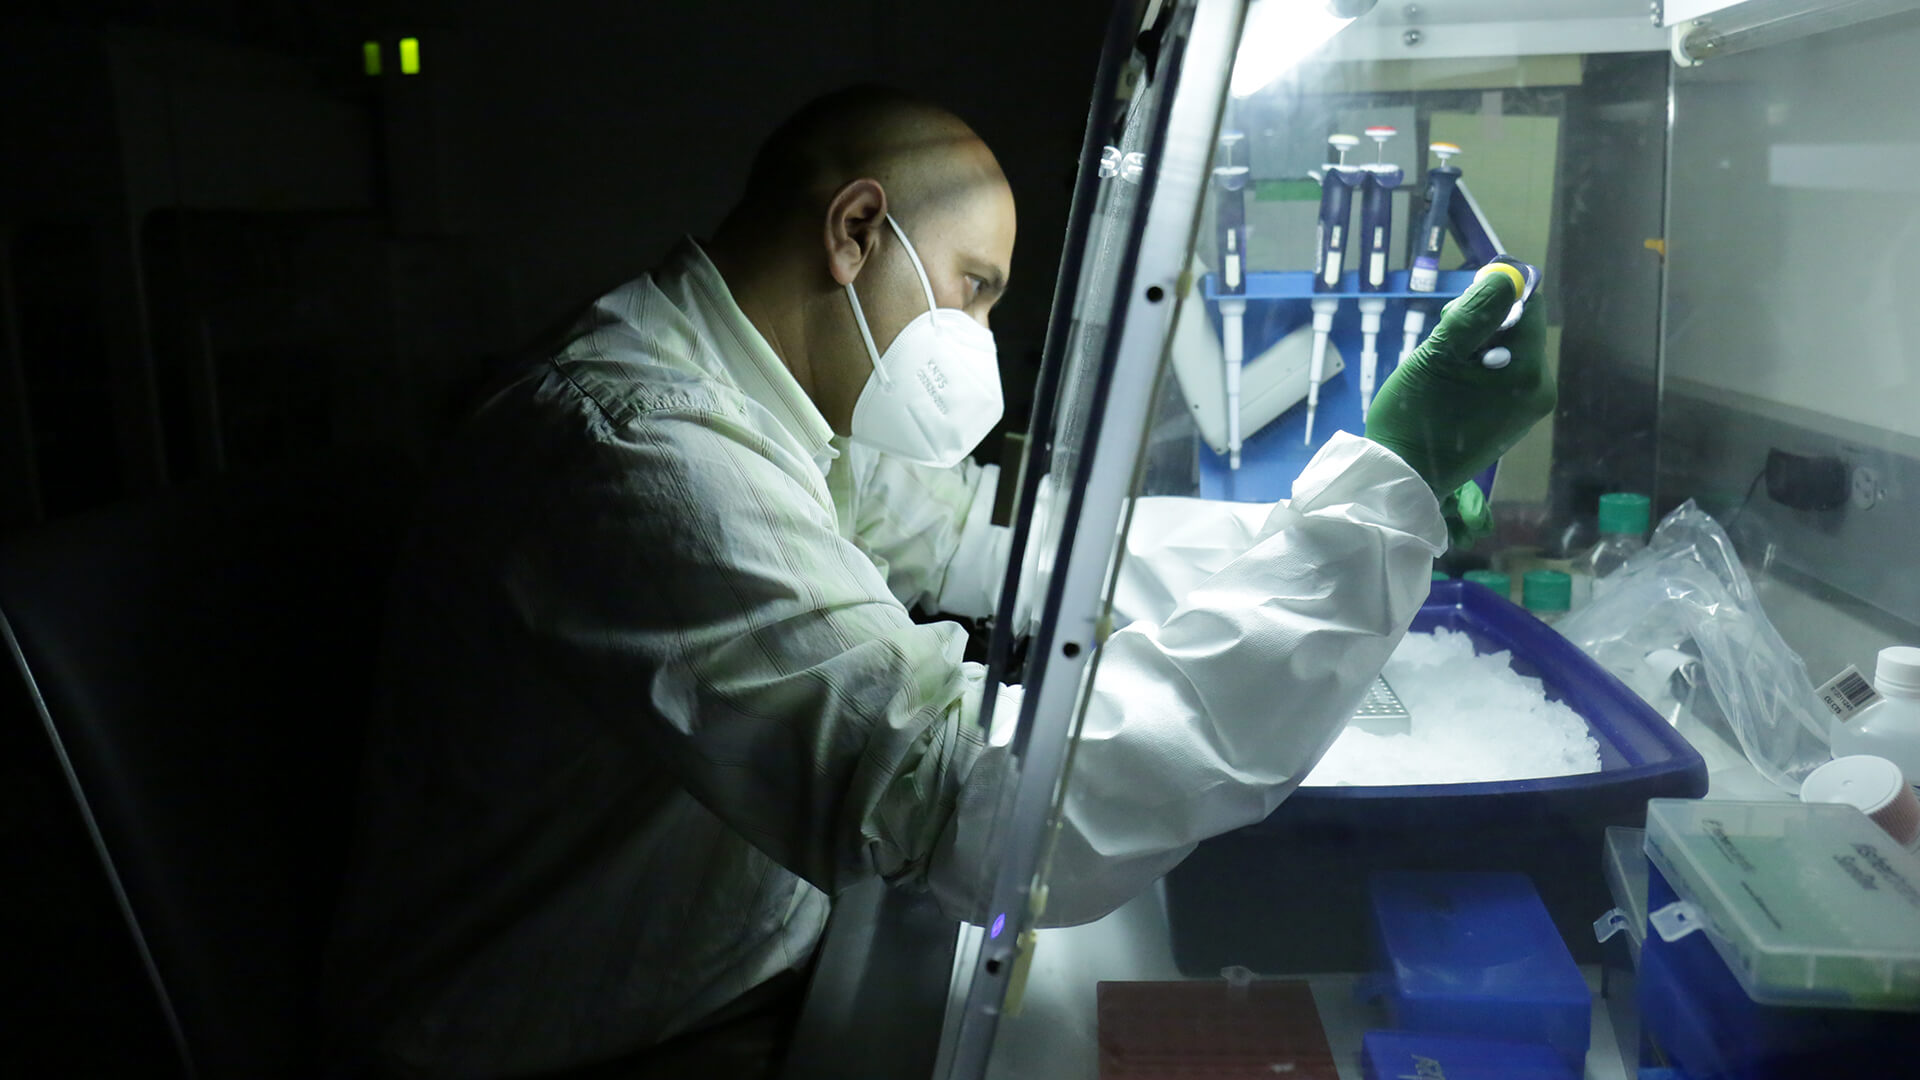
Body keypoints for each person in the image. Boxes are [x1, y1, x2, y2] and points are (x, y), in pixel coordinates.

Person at [323, 85, 1552, 1079]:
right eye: (973, 288)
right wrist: (1374, 503)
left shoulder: (762, 402)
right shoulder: (640, 453)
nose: (975, 338)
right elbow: (990, 820)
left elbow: (1001, 539)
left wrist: (1346, 513)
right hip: (584, 1050)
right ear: (856, 231)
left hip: (720, 973)